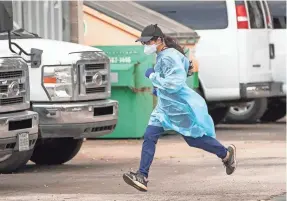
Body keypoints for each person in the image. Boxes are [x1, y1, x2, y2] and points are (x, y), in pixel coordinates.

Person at [123, 24, 237, 192]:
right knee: (150, 136)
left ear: (159, 40)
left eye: (148, 42)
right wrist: (158, 88)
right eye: (144, 42)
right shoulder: (163, 54)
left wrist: (152, 76)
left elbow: (174, 83)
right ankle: (142, 176)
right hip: (164, 107)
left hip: (178, 108)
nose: (145, 46)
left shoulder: (170, 56)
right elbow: (170, 79)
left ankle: (226, 154)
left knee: (194, 139)